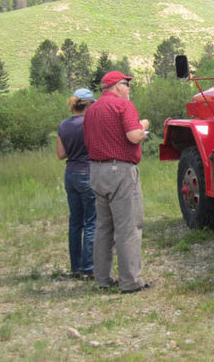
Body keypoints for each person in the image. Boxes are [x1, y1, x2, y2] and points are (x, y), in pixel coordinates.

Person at [83, 70, 151, 294]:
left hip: (96, 170)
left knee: (103, 227)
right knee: (128, 227)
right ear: (118, 86)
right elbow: (132, 135)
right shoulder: (123, 106)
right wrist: (143, 128)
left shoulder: (91, 110)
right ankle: (130, 282)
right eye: (127, 84)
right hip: (120, 170)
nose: (129, 88)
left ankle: (102, 278)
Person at [57, 88, 97, 279]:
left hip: (70, 174)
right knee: (91, 222)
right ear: (88, 104)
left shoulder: (63, 125)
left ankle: (76, 267)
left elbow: (60, 154)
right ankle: (89, 268)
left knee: (75, 222)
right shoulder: (89, 123)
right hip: (87, 173)